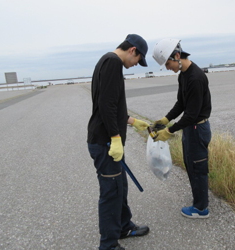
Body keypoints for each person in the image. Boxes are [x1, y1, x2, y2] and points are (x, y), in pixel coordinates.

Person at [87, 34, 150, 250]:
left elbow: (111, 105)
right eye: (138, 60)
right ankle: (109, 245)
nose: (135, 65)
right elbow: (106, 105)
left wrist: (133, 121)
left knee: (120, 186)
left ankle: (124, 226)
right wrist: (115, 138)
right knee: (111, 192)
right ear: (132, 50)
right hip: (105, 143)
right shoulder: (113, 63)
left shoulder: (106, 61)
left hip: (107, 141)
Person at [152, 38, 212, 219]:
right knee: (191, 165)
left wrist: (169, 131)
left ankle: (201, 209)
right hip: (190, 128)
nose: (168, 67)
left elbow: (191, 115)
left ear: (177, 56)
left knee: (198, 167)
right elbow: (181, 104)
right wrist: (166, 119)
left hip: (198, 128)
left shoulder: (195, 78)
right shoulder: (183, 75)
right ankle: (198, 199)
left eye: (168, 63)